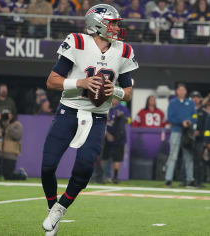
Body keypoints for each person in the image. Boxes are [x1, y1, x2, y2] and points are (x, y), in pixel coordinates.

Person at [40, 4, 138, 235]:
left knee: (84, 168)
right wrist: (81, 83)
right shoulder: (77, 42)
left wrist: (111, 90)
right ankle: (51, 208)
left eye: (116, 23)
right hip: (69, 110)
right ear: (97, 24)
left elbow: (129, 93)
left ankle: (60, 208)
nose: (116, 27)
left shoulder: (123, 51)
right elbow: (52, 81)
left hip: (98, 116)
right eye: (112, 23)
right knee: (47, 167)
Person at [165, 83, 197, 187]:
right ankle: (168, 179)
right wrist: (181, 122)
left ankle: (190, 179)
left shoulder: (191, 103)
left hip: (188, 133)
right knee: (173, 155)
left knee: (189, 156)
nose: (182, 92)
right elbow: (170, 117)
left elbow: (195, 116)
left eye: (183, 90)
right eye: (180, 90)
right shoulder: (173, 103)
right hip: (176, 131)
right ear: (176, 91)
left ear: (186, 91)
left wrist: (190, 121)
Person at [0, 109, 27, 180]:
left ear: (11, 115)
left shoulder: (17, 124)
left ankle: (22, 174)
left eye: (7, 114)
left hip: (10, 154)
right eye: (4, 115)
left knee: (8, 176)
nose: (5, 116)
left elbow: (17, 136)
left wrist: (8, 125)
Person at [102, 98, 130, 184]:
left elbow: (129, 120)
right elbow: (101, 122)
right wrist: (107, 134)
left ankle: (115, 177)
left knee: (117, 158)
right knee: (105, 157)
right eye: (113, 97)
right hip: (106, 136)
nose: (115, 100)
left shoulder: (123, 108)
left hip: (119, 137)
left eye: (116, 98)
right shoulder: (105, 107)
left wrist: (124, 118)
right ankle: (104, 176)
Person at [191, 91, 208, 187]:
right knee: (188, 160)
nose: (195, 99)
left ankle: (200, 181)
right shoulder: (188, 110)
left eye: (197, 97)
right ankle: (188, 180)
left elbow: (207, 128)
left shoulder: (204, 112)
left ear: (200, 99)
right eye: (193, 97)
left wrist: (200, 133)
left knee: (199, 161)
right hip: (189, 139)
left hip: (200, 140)